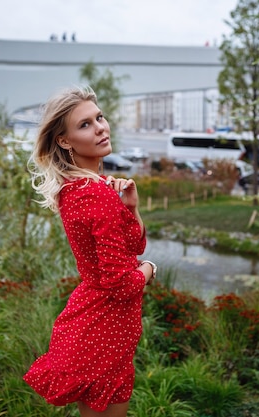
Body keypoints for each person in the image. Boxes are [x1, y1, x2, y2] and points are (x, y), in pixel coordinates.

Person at [23, 86, 158, 417]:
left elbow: (133, 246)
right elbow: (122, 284)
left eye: (99, 117)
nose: (100, 127)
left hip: (104, 331)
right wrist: (151, 268)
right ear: (64, 141)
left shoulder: (79, 188)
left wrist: (132, 209)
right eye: (85, 124)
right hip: (102, 332)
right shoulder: (94, 194)